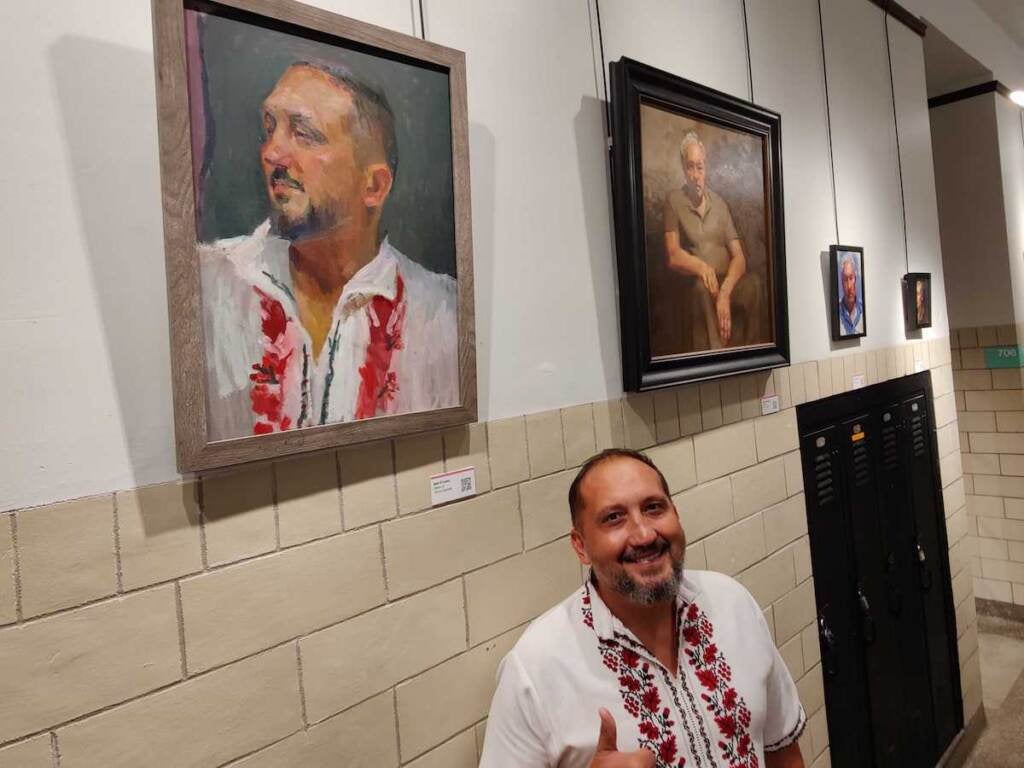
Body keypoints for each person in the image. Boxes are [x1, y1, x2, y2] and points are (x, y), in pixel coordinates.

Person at [480, 449, 806, 768]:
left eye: (653, 508)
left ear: (676, 513)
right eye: (614, 518)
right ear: (580, 546)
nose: (644, 534)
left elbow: (781, 749)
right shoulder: (536, 668)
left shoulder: (732, 604)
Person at [200, 62, 458, 439]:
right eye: (270, 127)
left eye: (303, 133)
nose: (272, 152)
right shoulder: (208, 283)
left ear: (373, 186)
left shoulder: (440, 314)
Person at [663, 132, 765, 351]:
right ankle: (716, 359)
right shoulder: (674, 201)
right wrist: (702, 267)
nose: (695, 175)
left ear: (705, 167)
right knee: (701, 288)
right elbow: (672, 254)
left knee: (754, 284)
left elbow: (739, 257)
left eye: (699, 167)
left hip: (725, 281)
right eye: (690, 167)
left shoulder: (719, 204)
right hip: (699, 282)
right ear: (683, 168)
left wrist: (726, 291)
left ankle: (752, 355)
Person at [838, 255, 864, 336]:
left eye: (851, 278)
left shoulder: (863, 311)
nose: (849, 286)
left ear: (856, 279)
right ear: (841, 283)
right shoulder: (837, 315)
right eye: (845, 280)